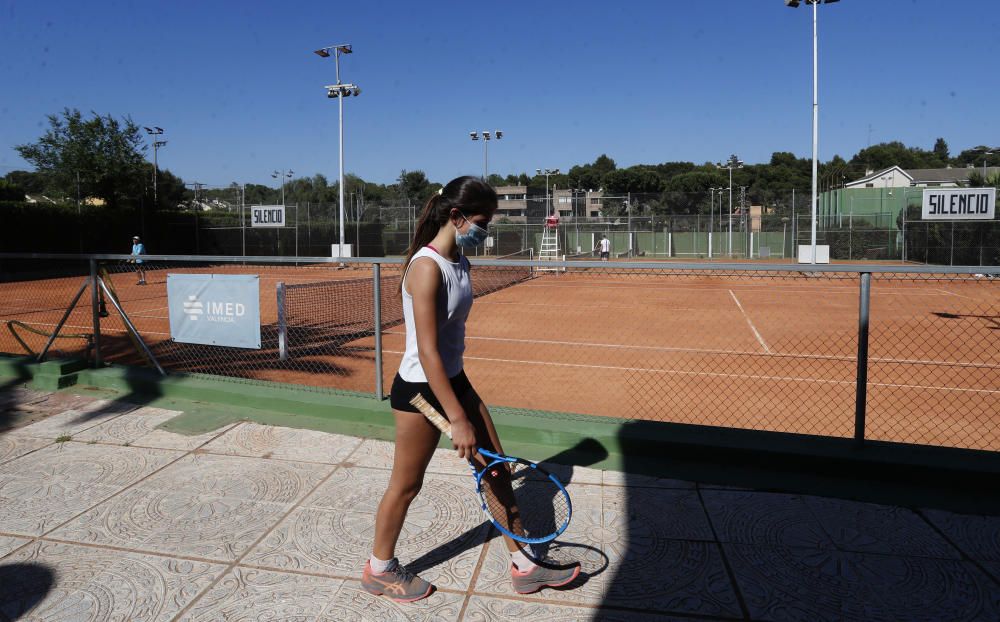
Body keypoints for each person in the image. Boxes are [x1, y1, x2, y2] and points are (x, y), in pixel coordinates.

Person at [362, 176, 580, 602]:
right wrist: (457, 418)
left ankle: (523, 566)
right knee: (407, 484)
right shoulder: (426, 269)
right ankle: (379, 569)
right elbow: (426, 352)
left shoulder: (459, 259)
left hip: (455, 380)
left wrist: (462, 405)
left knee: (496, 471)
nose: (487, 229)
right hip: (421, 391)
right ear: (456, 216)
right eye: (482, 220)